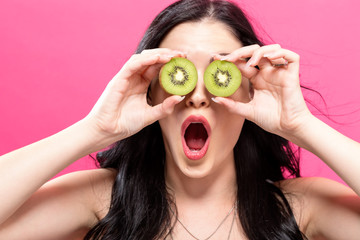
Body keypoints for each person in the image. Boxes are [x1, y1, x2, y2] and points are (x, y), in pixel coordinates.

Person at [1, 0, 360, 239]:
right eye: (181, 72)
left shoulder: (302, 208)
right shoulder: (99, 200)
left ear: (250, 92)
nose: (199, 94)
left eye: (221, 72)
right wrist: (94, 130)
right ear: (152, 91)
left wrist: (301, 125)